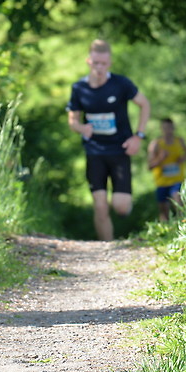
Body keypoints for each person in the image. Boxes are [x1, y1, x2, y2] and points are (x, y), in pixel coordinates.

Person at [67, 39, 151, 241]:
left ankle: (123, 207)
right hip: (94, 151)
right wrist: (82, 128)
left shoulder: (121, 84)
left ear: (109, 63)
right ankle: (107, 248)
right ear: (89, 61)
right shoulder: (79, 88)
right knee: (100, 205)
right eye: (96, 63)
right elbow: (73, 121)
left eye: (103, 63)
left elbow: (145, 105)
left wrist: (138, 136)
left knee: (121, 207)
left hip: (120, 150)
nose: (99, 67)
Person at [147, 117, 186, 222]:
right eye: (165, 128)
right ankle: (166, 229)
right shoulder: (156, 144)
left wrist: (183, 158)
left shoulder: (179, 141)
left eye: (170, 127)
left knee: (178, 202)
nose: (168, 130)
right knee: (164, 212)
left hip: (177, 180)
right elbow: (150, 166)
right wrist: (161, 158)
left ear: (173, 128)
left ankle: (184, 224)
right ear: (161, 129)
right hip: (162, 183)